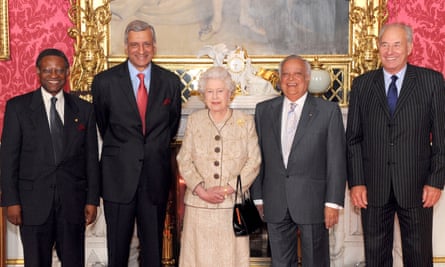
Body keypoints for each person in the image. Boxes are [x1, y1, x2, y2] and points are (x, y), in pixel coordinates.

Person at [346, 22, 445, 267]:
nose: (390, 51)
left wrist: (435, 181)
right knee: (376, 257)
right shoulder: (362, 85)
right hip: (373, 187)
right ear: (378, 47)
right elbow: (353, 139)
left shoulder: (431, 82)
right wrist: (357, 182)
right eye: (385, 44)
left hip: (417, 186)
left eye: (397, 44)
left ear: (409, 47)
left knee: (419, 256)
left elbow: (442, 137)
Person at [91, 20, 182, 267]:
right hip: (117, 178)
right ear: (126, 47)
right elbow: (104, 125)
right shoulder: (104, 82)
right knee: (117, 251)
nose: (140, 50)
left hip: (155, 177)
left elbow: (170, 128)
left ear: (154, 46)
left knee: (152, 252)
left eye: (146, 44)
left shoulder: (171, 82)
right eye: (134, 44)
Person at [0, 48, 100, 266]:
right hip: (32, 204)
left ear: (67, 72)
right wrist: (11, 201)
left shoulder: (84, 110)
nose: (54, 75)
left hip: (72, 203)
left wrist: (92, 199)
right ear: (38, 72)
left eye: (59, 70)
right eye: (48, 70)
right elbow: (8, 158)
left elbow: (91, 159)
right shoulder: (18, 108)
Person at [251, 55, 347, 266]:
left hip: (314, 202)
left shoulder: (328, 112)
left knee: (315, 262)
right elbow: (257, 157)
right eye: (286, 74)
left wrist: (333, 202)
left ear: (308, 78)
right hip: (274, 201)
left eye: (297, 74)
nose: (291, 79)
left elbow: (336, 160)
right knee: (281, 262)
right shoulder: (263, 111)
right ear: (280, 78)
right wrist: (257, 197)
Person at [176, 66, 261, 267]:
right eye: (210, 92)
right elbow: (184, 160)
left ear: (230, 94)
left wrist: (228, 188)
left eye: (220, 91)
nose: (215, 96)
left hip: (232, 207)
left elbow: (254, 161)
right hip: (199, 207)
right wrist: (201, 190)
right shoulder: (195, 120)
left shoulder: (245, 121)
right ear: (204, 95)